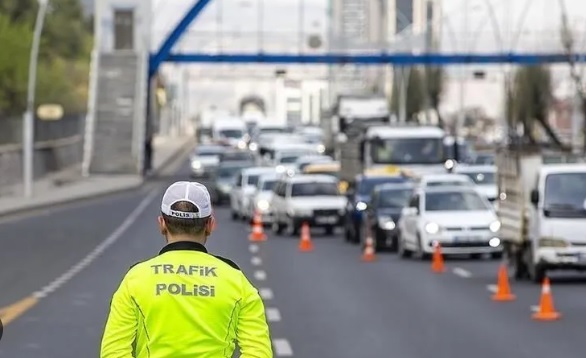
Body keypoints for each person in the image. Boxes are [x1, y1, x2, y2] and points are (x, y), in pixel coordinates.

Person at [100, 181, 273, 357]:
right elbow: (258, 353)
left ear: (162, 224)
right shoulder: (236, 280)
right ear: (210, 225)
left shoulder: (136, 279)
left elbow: (113, 352)